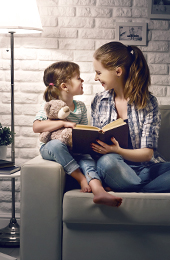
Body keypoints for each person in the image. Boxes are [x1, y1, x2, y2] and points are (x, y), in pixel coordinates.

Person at [33, 61, 122, 207]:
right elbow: (37, 127)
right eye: (78, 78)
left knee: (87, 159)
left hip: (74, 148)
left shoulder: (80, 107)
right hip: (51, 148)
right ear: (64, 86)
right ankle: (81, 178)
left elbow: (82, 131)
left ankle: (99, 191)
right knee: (56, 144)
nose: (82, 80)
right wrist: (62, 123)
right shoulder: (50, 104)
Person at [91, 41, 170, 193]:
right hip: (114, 165)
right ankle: (146, 190)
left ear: (118, 71)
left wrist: (118, 149)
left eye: (99, 72)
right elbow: (95, 144)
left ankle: (134, 190)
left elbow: (147, 154)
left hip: (147, 168)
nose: (95, 78)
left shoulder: (148, 102)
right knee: (107, 162)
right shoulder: (99, 101)